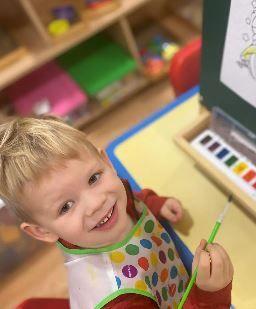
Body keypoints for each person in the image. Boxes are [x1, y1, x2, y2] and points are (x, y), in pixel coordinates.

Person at [0, 116, 233, 308]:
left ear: (107, 163)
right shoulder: (122, 301)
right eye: (66, 207)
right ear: (42, 231)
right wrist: (208, 296)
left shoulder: (109, 203)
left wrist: (155, 203)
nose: (96, 203)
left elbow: (131, 199)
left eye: (93, 178)